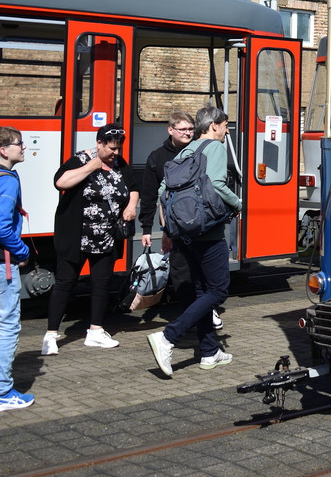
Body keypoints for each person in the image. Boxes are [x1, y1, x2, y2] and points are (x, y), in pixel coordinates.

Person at [148, 106, 240, 377]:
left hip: (186, 233)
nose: (226, 131)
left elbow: (163, 190)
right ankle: (168, 336)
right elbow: (217, 184)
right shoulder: (215, 148)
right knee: (218, 291)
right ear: (213, 126)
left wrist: (169, 227)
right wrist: (238, 203)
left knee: (202, 292)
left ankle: (209, 351)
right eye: (225, 126)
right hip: (208, 233)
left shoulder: (186, 150)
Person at [43, 123, 139, 354]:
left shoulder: (120, 164)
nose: (115, 153)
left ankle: (96, 331)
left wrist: (131, 206)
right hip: (77, 236)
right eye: (111, 148)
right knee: (65, 283)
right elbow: (60, 182)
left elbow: (134, 187)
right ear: (99, 143)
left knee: (102, 284)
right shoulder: (80, 159)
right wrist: (91, 166)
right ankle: (51, 335)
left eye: (118, 148)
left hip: (106, 237)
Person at [139, 112, 222, 329]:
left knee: (202, 271)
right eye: (182, 129)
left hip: (199, 223)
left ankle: (204, 312)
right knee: (181, 272)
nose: (187, 133)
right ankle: (191, 316)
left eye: (190, 129)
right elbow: (150, 194)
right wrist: (150, 228)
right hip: (175, 225)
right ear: (170, 130)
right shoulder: (157, 157)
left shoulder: (199, 150)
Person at [0, 128, 33, 411]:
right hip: (3, 263)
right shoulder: (7, 180)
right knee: (7, 325)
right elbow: (2, 227)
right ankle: (2, 392)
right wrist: (22, 251)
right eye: (18, 144)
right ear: (3, 150)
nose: (23, 147)